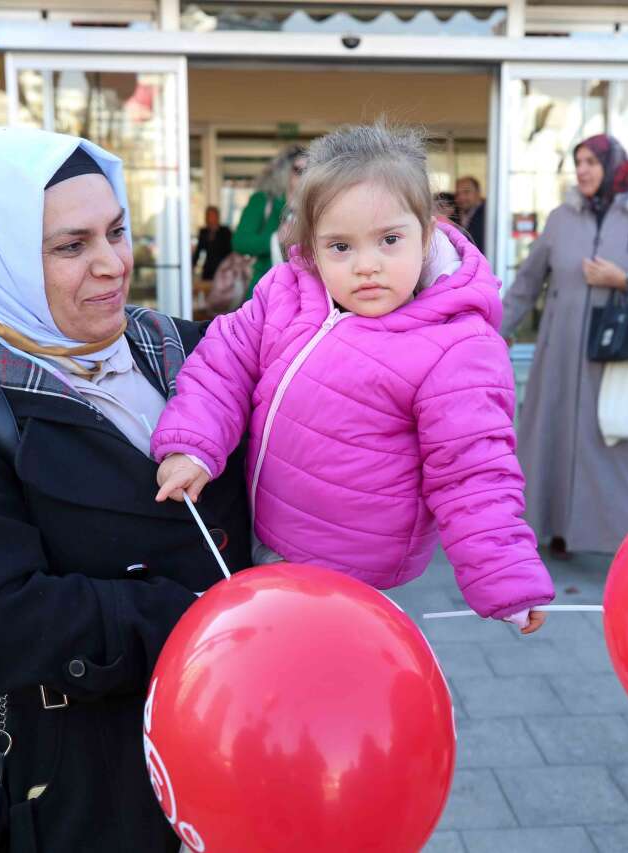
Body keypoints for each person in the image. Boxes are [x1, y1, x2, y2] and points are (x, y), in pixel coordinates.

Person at [0, 127, 253, 853]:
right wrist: (198, 621)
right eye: (71, 246)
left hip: (248, 739)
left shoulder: (193, 349)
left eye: (115, 231)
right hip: (98, 785)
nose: (112, 265)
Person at [150, 123, 555, 631]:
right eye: (340, 246)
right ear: (312, 246)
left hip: (350, 568)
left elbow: (473, 472)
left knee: (330, 679)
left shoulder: (458, 346)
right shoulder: (288, 291)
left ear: (426, 234)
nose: (367, 266)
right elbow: (223, 363)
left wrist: (505, 577)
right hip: (259, 528)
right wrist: (193, 445)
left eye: (388, 240)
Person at [500, 134, 628, 558]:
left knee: (614, 443)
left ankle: (617, 537)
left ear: (614, 166)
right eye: (577, 161)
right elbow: (527, 283)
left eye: (590, 162)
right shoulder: (561, 218)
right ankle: (553, 530)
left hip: (614, 356)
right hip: (558, 353)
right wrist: (494, 330)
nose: (581, 170)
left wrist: (624, 280)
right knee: (552, 436)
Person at [233, 144, 306, 301]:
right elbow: (240, 242)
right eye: (299, 170)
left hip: (303, 293)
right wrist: (276, 238)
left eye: (311, 170)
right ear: (284, 172)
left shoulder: (314, 204)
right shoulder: (263, 200)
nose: (305, 175)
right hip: (264, 291)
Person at [191, 205, 232, 283]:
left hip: (223, 269)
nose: (211, 218)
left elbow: (229, 251)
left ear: (217, 217)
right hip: (208, 269)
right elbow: (199, 250)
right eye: (209, 216)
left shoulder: (225, 232)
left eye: (213, 215)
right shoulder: (204, 232)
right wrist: (193, 265)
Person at [454, 176, 487, 254]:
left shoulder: (487, 215)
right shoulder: (457, 214)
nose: (461, 197)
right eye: (458, 193)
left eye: (466, 192)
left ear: (478, 192)